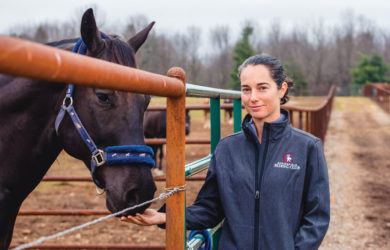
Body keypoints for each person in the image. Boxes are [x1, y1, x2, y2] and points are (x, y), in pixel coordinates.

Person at [121, 54, 330, 249]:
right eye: (246, 89)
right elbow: (210, 208)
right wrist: (164, 217)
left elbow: (317, 218)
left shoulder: (307, 147)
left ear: (281, 89)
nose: (253, 97)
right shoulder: (227, 148)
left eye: (262, 88)